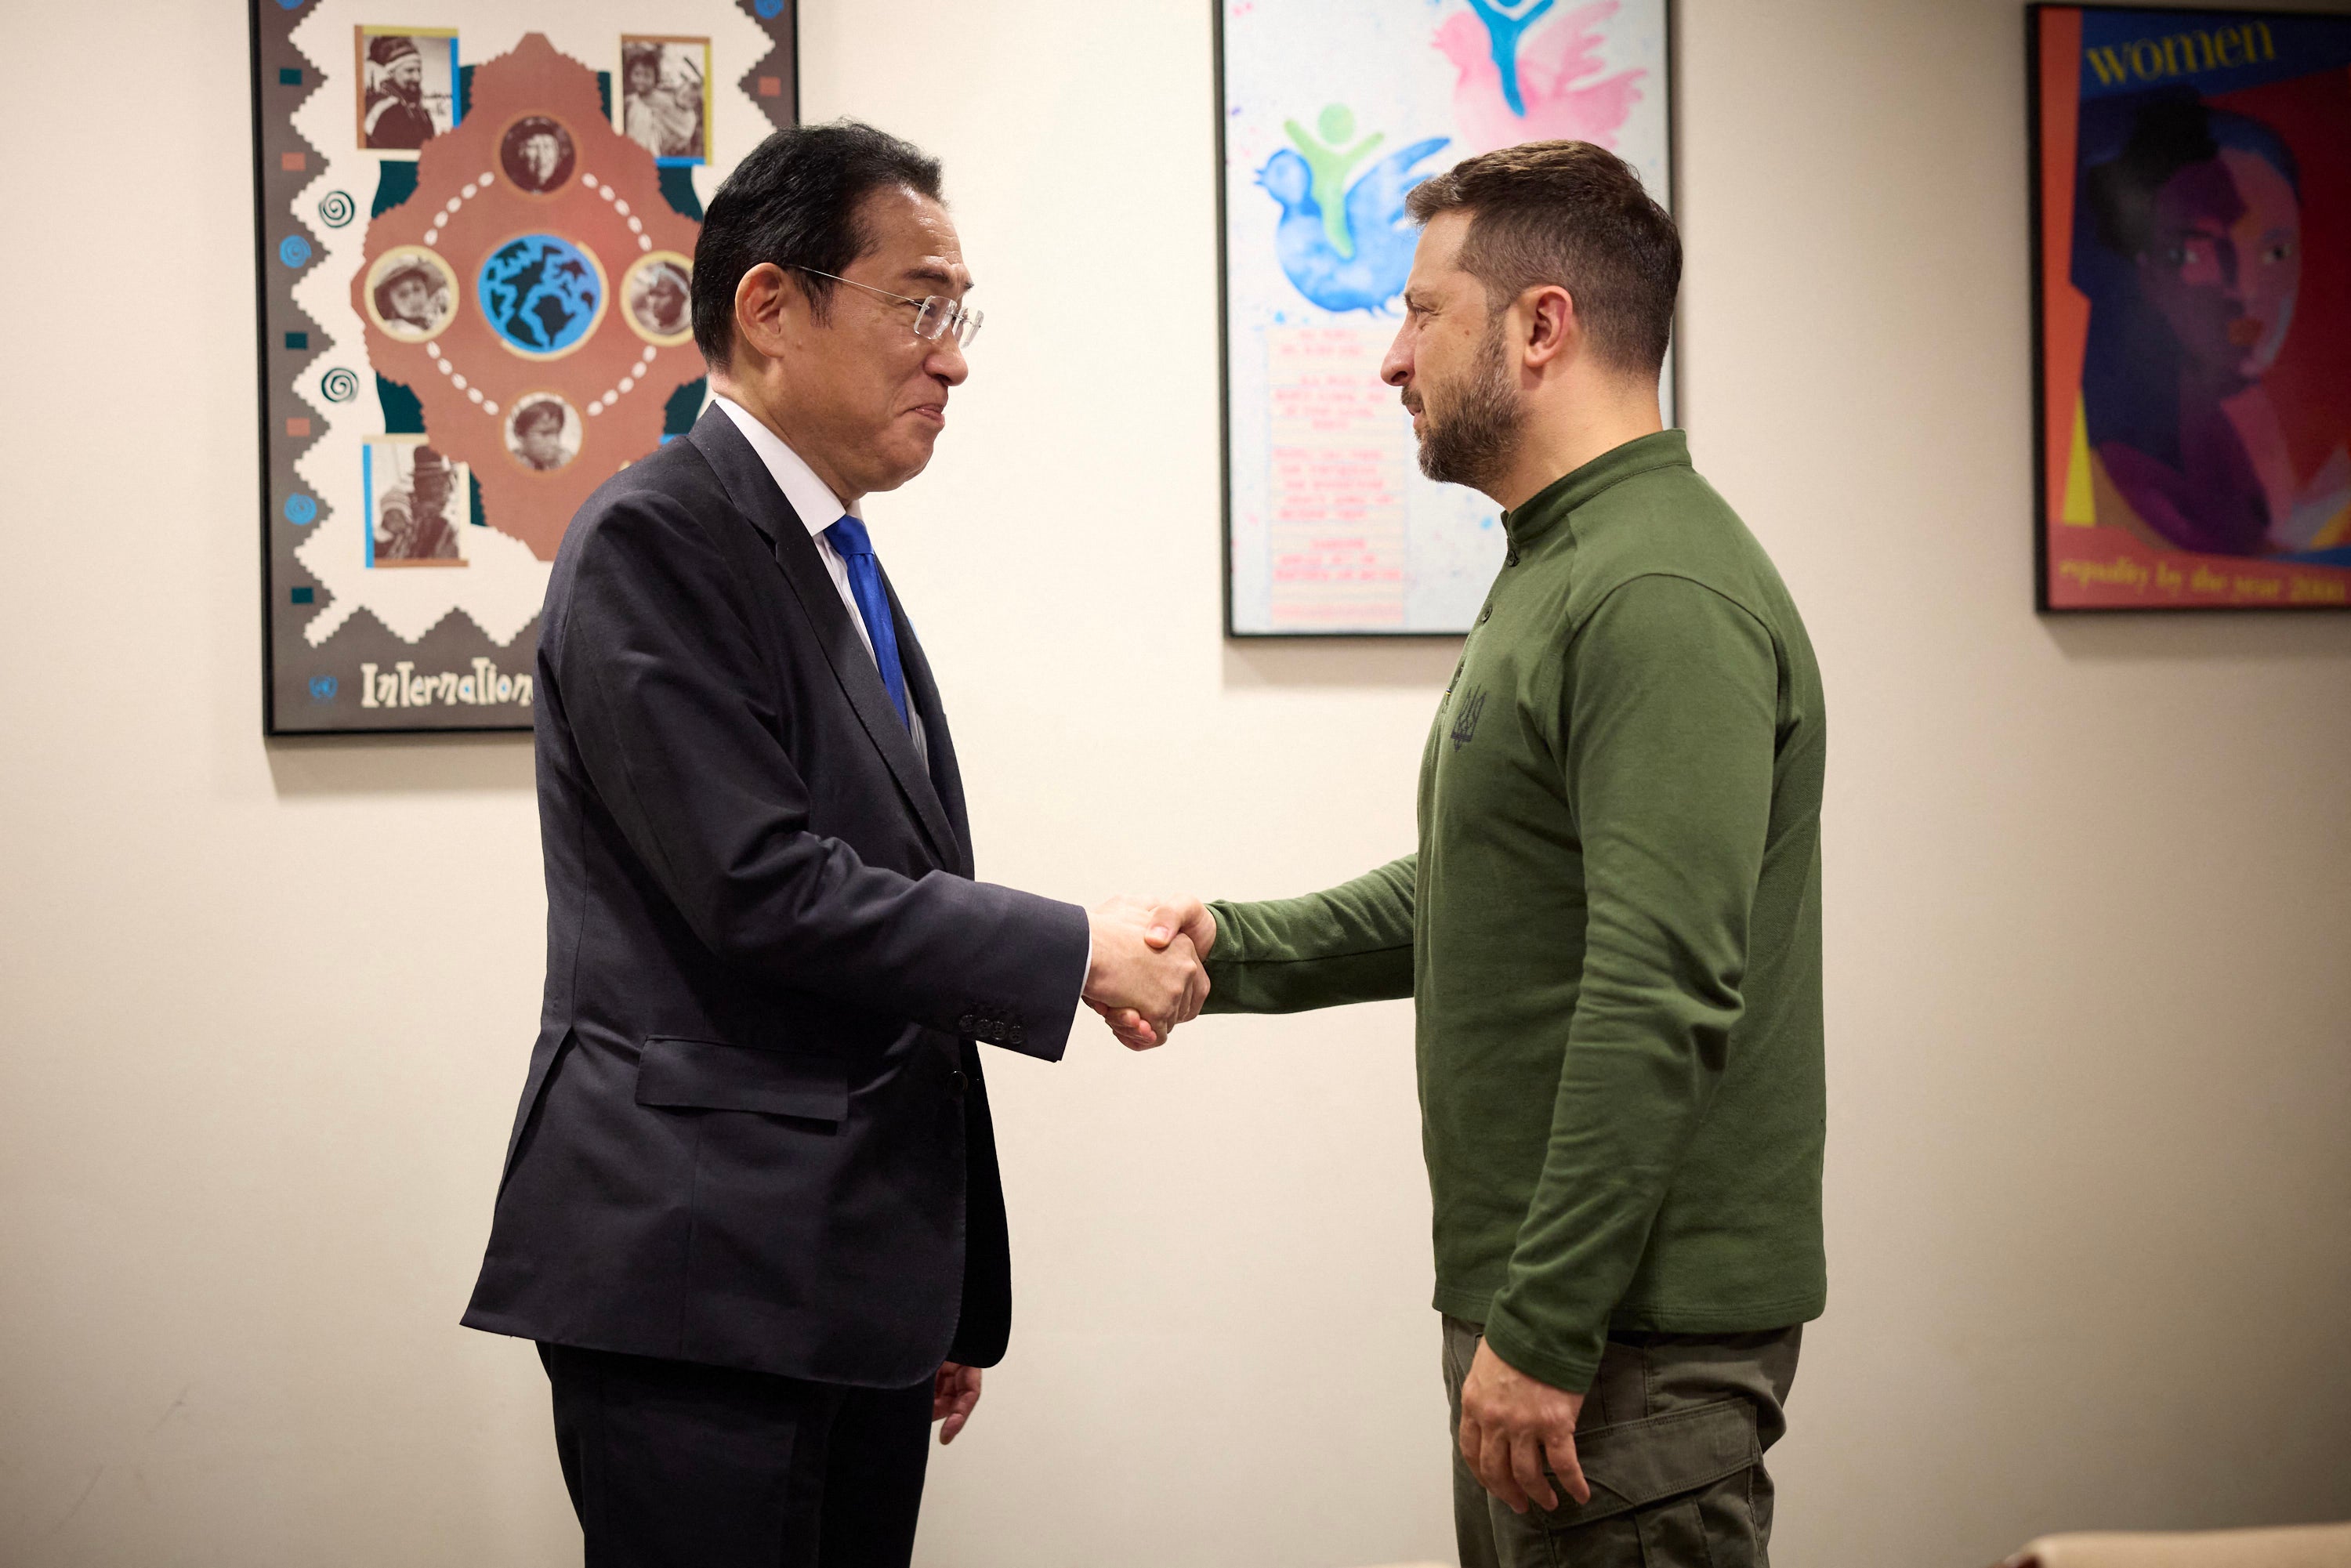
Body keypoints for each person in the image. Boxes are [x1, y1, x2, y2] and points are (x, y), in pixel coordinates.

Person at [461, 120, 1208, 1566]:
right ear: (771, 306)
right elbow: (764, 888)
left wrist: (919, 1288)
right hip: (708, 1295)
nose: (955, 355)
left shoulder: (829, 554)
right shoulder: (653, 537)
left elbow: (890, 903)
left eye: (959, 312)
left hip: (839, 1286)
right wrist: (1077, 953)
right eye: (920, 304)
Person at [1102, 140, 1827, 1568]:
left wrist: (1546, 1323)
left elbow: (1658, 988)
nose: (1389, 359)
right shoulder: (1562, 562)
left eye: (1423, 310)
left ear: (1540, 326)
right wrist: (1225, 949)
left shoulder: (1658, 590)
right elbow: (1491, 897)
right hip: (1567, 1332)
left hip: (1622, 1350)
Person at [2076, 94, 2350, 556]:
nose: (2244, 289)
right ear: (2150, 275)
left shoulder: (2302, 447)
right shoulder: (2121, 475)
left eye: (2276, 253)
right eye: (2196, 254)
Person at [624, 43, 702, 160]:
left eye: (647, 76)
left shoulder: (667, 101)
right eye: (637, 74)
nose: (641, 80)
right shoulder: (634, 100)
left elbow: (681, 130)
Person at [363, 35, 437, 151]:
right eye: (410, 71)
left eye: (419, 70)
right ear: (392, 72)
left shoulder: (419, 110)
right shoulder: (382, 109)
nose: (418, 78)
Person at [371, 257, 446, 337]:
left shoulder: (434, 319)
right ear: (390, 302)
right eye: (403, 294)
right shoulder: (400, 330)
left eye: (417, 289)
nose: (414, 299)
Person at [509, 400, 569, 471]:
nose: (555, 443)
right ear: (520, 434)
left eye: (557, 434)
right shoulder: (509, 465)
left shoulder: (564, 460)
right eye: (545, 434)